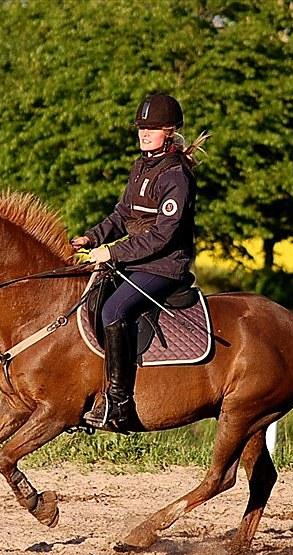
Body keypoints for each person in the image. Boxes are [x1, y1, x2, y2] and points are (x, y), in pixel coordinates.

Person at [71, 93, 207, 430]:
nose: (144, 134)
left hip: (163, 267)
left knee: (114, 311)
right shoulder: (141, 166)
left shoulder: (176, 175)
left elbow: (163, 235)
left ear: (170, 131)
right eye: (141, 128)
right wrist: (92, 238)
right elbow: (122, 214)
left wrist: (112, 253)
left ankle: (119, 405)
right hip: (137, 264)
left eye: (152, 129)